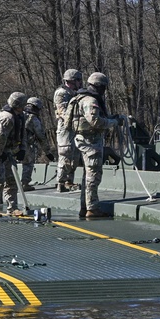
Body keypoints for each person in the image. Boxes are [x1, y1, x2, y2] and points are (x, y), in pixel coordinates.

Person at [63, 73, 121, 218]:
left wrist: (110, 118)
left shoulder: (79, 97)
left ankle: (85, 207)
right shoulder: (90, 100)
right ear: (99, 86)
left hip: (83, 140)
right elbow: (95, 122)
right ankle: (92, 208)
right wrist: (113, 123)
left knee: (87, 175)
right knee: (93, 175)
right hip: (90, 142)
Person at [0, 91, 28, 218]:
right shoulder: (7, 118)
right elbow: (0, 138)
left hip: (7, 149)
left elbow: (22, 134)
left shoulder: (20, 116)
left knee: (11, 179)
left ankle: (12, 208)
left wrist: (22, 149)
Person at [53, 69, 83, 192]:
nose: (80, 83)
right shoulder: (61, 93)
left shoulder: (74, 93)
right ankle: (61, 183)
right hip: (65, 129)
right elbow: (63, 112)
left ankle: (69, 182)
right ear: (72, 81)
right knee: (65, 155)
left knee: (74, 156)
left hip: (74, 128)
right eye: (78, 80)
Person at [21, 96, 54, 192]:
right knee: (28, 163)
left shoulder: (19, 114)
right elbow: (41, 137)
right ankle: (25, 184)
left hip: (13, 143)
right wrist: (47, 152)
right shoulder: (34, 119)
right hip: (26, 144)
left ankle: (8, 184)